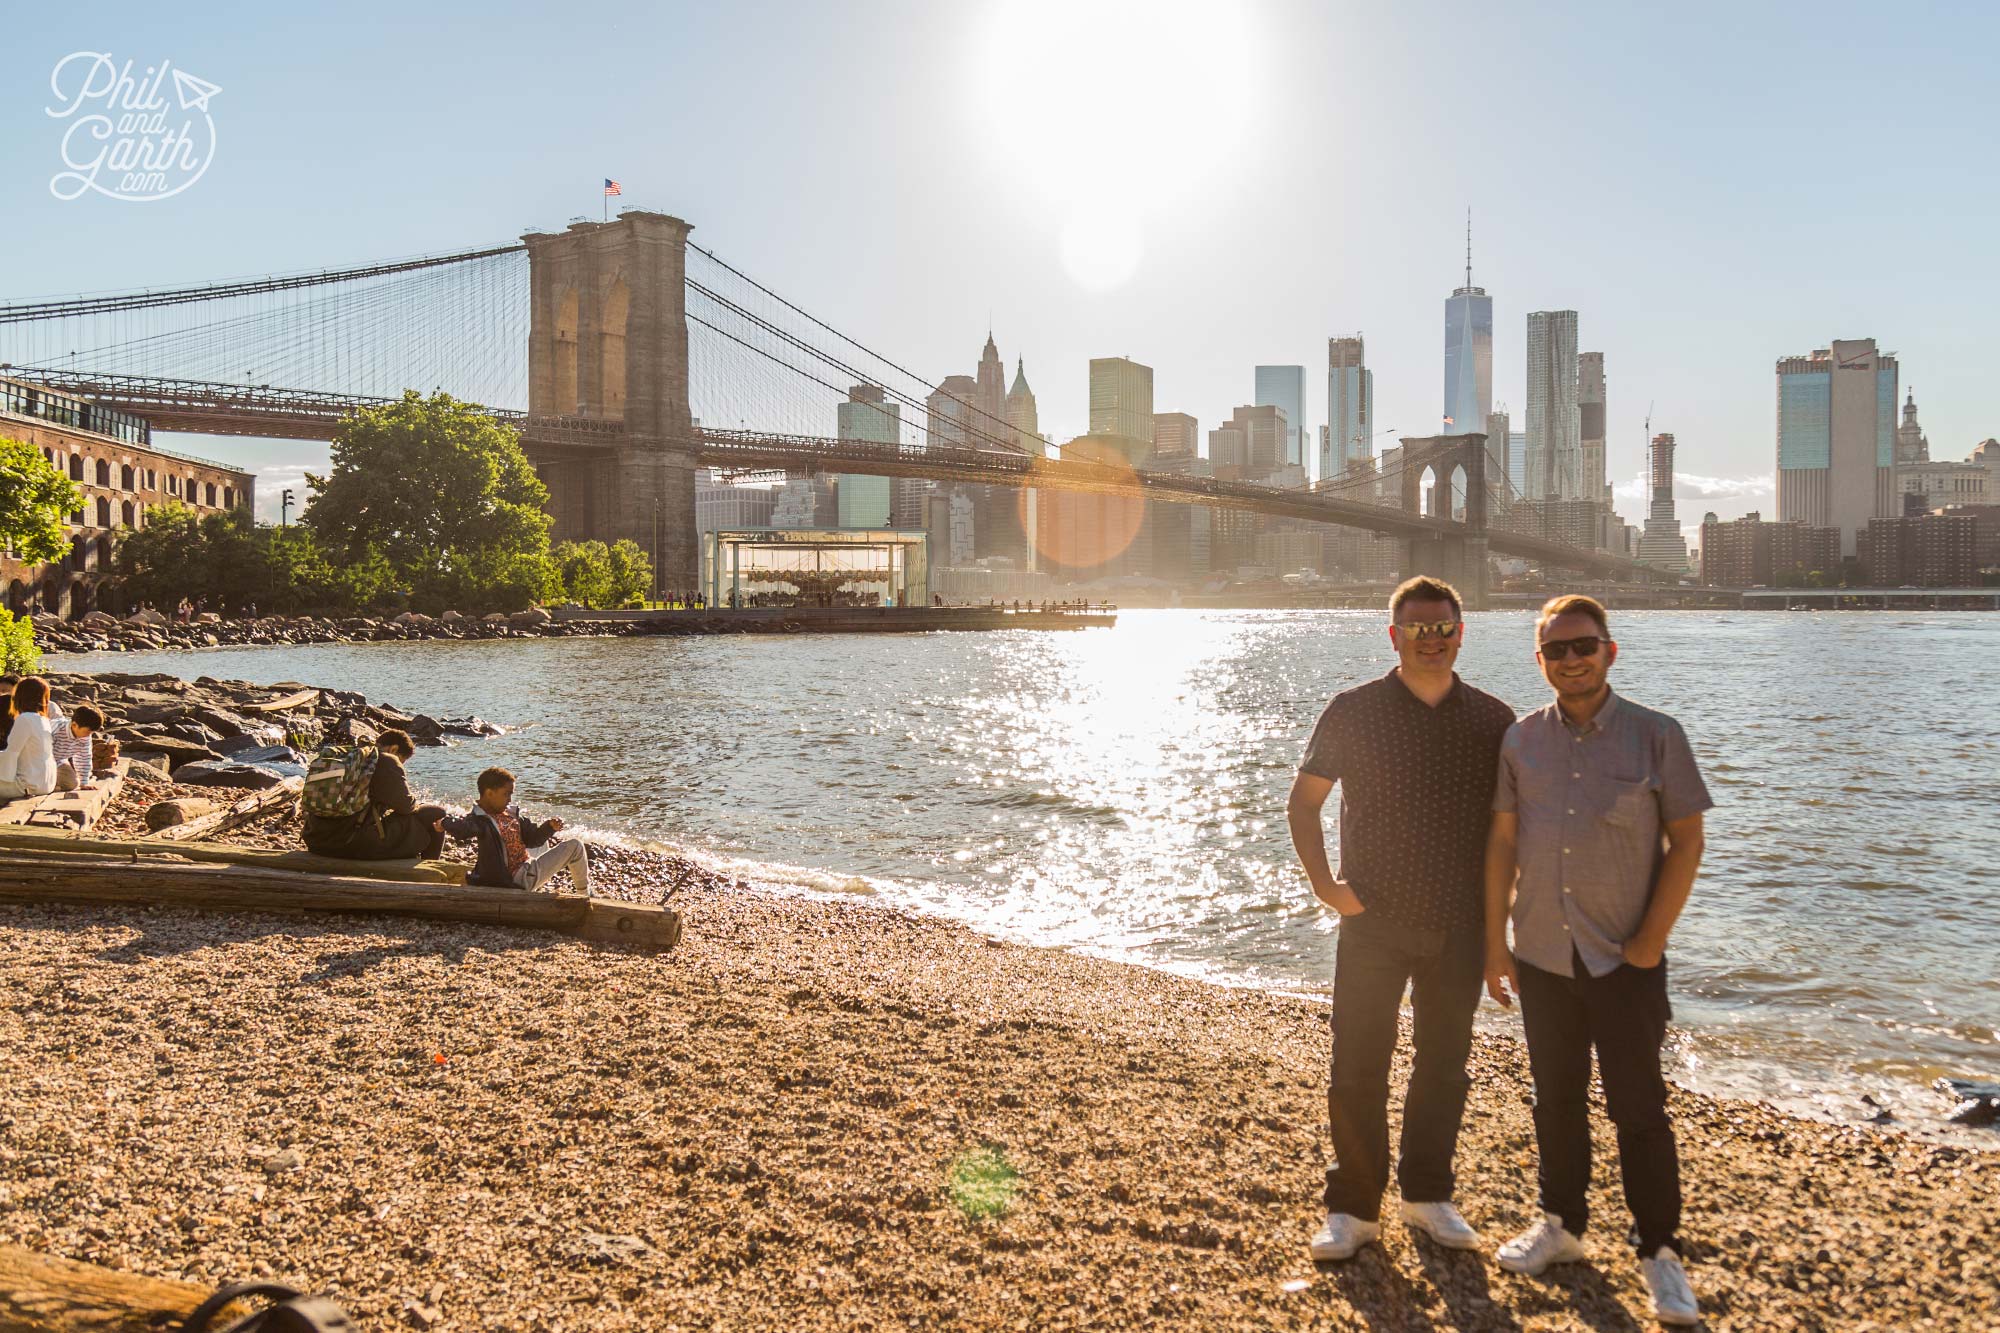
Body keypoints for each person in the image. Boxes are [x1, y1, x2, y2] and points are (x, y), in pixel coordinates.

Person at [1483, 594, 1711, 1326]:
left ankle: (1659, 1252)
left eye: (1584, 646)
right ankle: (1563, 1225)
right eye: (1556, 650)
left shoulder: (1657, 735)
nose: (1571, 659)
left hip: (1624, 959)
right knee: (1555, 1100)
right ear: (1540, 661)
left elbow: (1688, 844)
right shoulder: (1520, 741)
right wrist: (1497, 944)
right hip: (1544, 953)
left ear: (1610, 651)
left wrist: (1650, 942)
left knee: (1639, 1108)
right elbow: (1503, 847)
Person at [1287, 577, 1516, 1262]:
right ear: (1394, 636)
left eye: (1443, 629)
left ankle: (1426, 1195)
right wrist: (1327, 886)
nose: (1431, 640)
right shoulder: (1354, 710)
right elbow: (1305, 804)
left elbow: (1510, 832)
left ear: (1460, 633)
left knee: (1445, 1066)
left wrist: (1498, 930)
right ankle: (1353, 1208)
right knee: (1357, 1063)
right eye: (1417, 630)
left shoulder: (1492, 719)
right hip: (1373, 920)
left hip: (1458, 924)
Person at [302, 728, 447, 860]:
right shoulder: (386, 760)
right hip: (351, 845)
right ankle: (429, 871)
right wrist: (417, 803)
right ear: (394, 749)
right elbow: (406, 807)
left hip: (315, 840)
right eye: (403, 761)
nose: (401, 765)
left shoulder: (350, 757)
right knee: (435, 813)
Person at [440, 767, 589, 893]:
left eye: (511, 794)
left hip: (524, 865)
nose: (509, 799)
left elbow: (533, 839)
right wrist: (444, 822)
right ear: (489, 793)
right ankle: (585, 895)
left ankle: (538, 884)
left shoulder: (509, 814)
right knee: (575, 846)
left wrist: (549, 827)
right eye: (506, 794)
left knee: (543, 844)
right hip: (516, 879)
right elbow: (462, 829)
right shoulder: (479, 821)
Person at [0, 677, 60, 801]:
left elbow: (11, 753)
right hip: (46, 783)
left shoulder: (25, 719)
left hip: (27, 786)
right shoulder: (43, 719)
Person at [50, 703, 104, 792]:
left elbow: (84, 757)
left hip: (59, 761)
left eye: (92, 732)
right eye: (88, 731)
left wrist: (84, 782)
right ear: (74, 725)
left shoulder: (85, 736)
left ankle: (52, 785)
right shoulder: (55, 730)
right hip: (40, 760)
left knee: (73, 784)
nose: (89, 735)